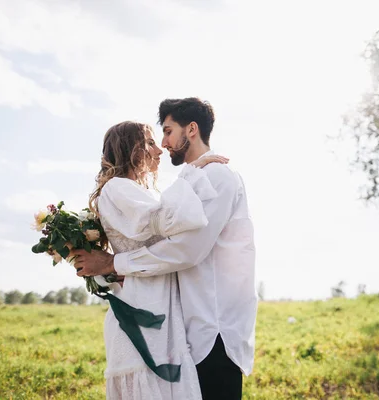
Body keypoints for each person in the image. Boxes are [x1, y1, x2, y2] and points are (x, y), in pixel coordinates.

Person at [74, 98, 258, 400]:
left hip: (214, 327)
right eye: (154, 138)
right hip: (182, 325)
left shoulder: (217, 176)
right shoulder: (188, 179)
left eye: (168, 131)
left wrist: (113, 264)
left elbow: (186, 251)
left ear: (192, 130)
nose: (163, 144)